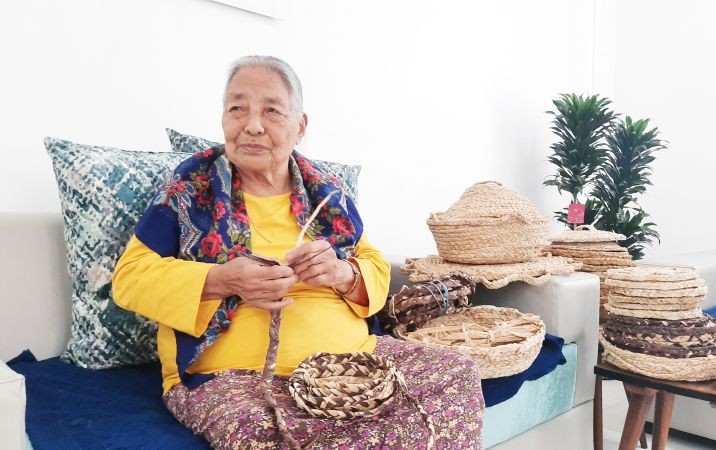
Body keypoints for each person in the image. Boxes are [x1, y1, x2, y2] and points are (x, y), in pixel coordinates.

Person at [112, 55, 484, 449]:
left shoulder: (326, 192)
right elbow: (130, 277)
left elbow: (373, 267)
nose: (252, 125)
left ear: (300, 126)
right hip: (235, 374)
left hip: (351, 364)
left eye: (271, 111)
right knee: (262, 434)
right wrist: (221, 279)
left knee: (456, 374)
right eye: (237, 108)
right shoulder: (192, 187)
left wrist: (343, 274)